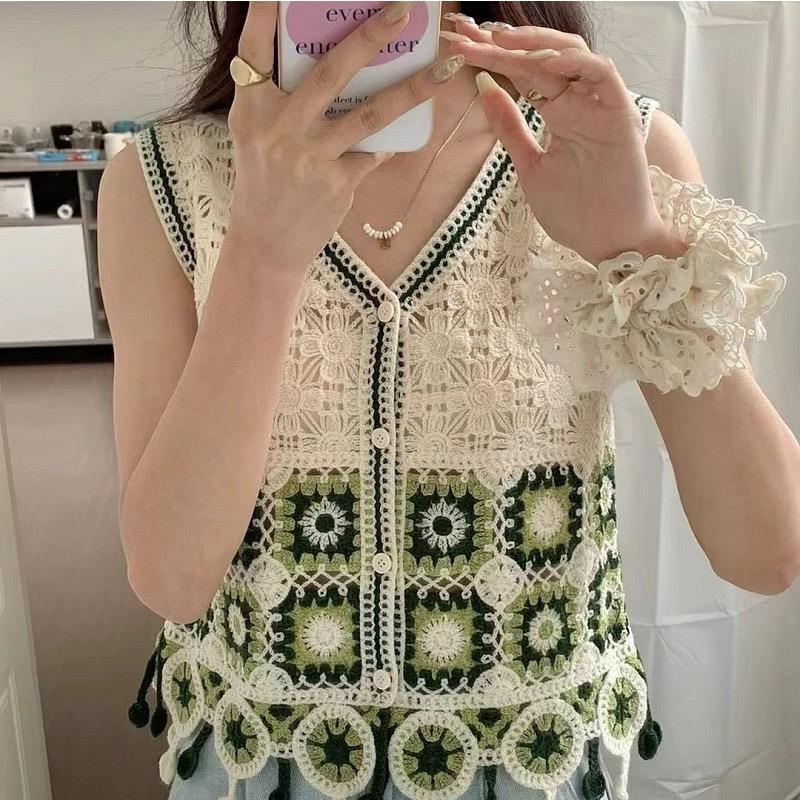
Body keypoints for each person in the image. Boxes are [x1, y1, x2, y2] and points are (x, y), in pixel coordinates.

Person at [97, 3, 798, 800]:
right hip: (260, 766)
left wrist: (633, 244)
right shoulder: (161, 180)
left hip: (529, 764)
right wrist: (261, 249)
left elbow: (766, 550)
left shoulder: (607, 146)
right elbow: (171, 579)